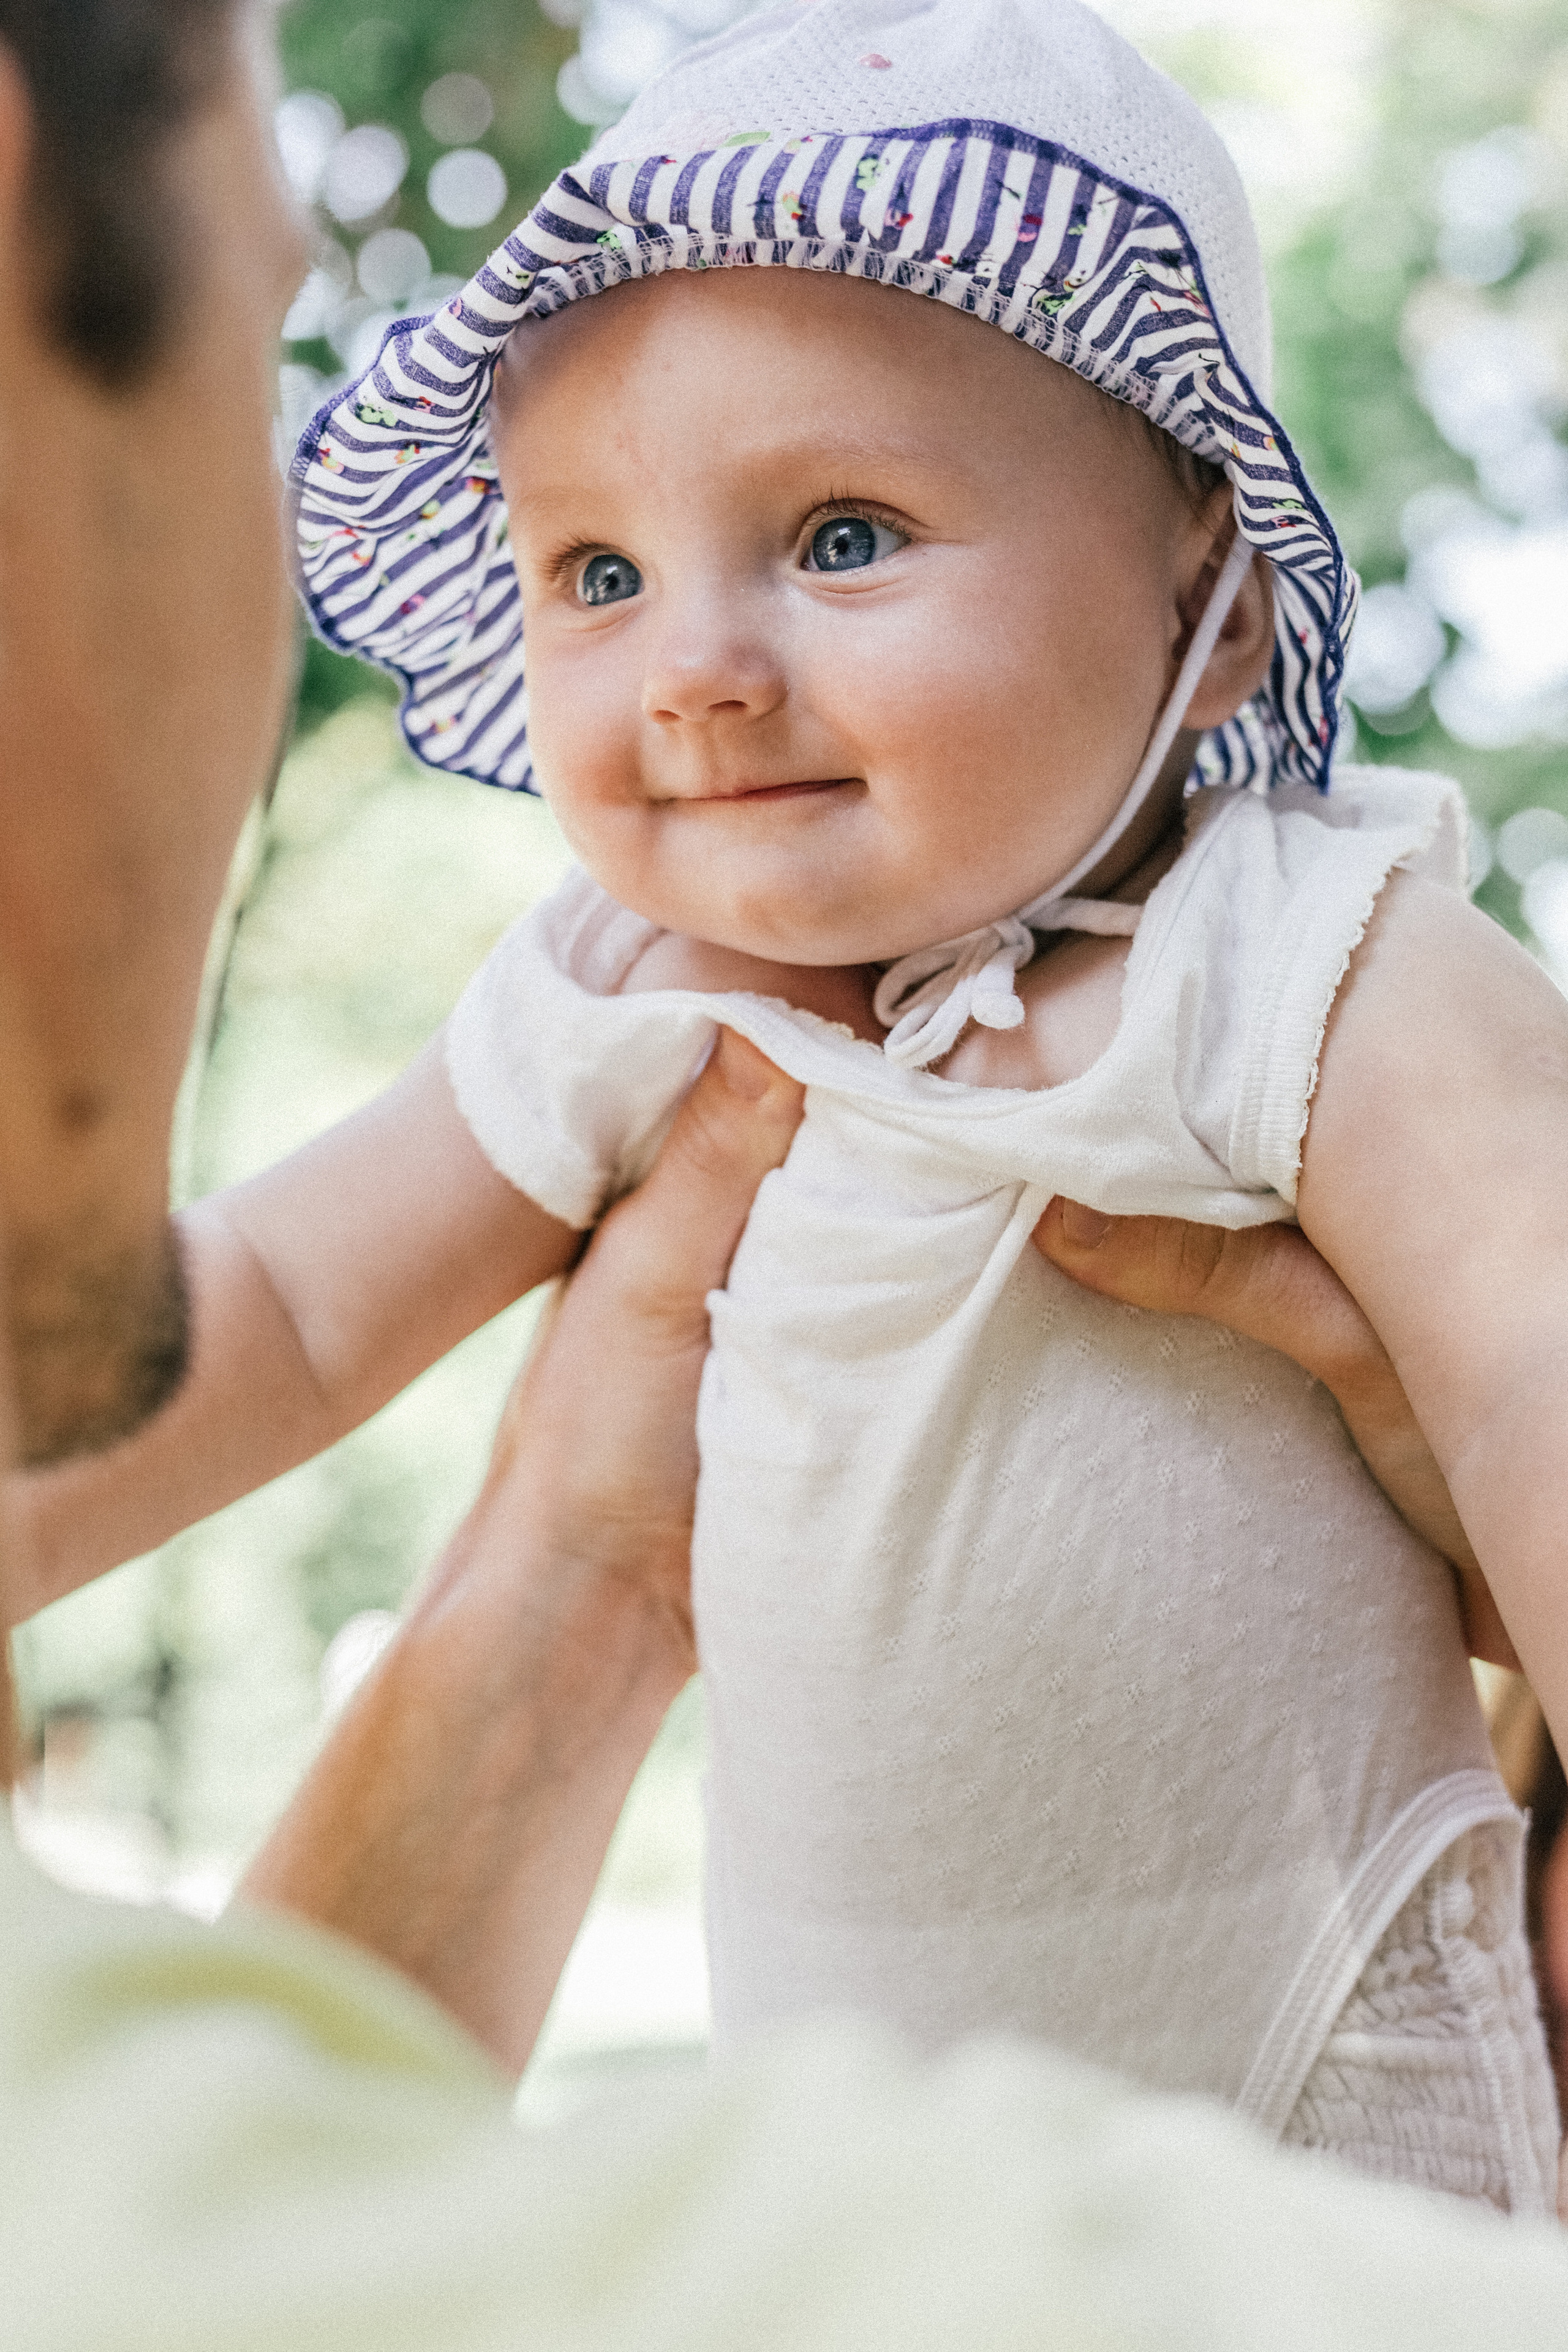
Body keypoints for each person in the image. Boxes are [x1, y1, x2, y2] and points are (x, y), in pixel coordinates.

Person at [7, 10, 1568, 2328]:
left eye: (843, 538)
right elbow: (286, 1315)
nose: (697, 673)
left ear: (1208, 600)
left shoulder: (1309, 951)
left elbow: (1542, 1349)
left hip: (1341, 2089)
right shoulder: (624, 989)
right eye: (597, 573)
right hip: (836, 2105)